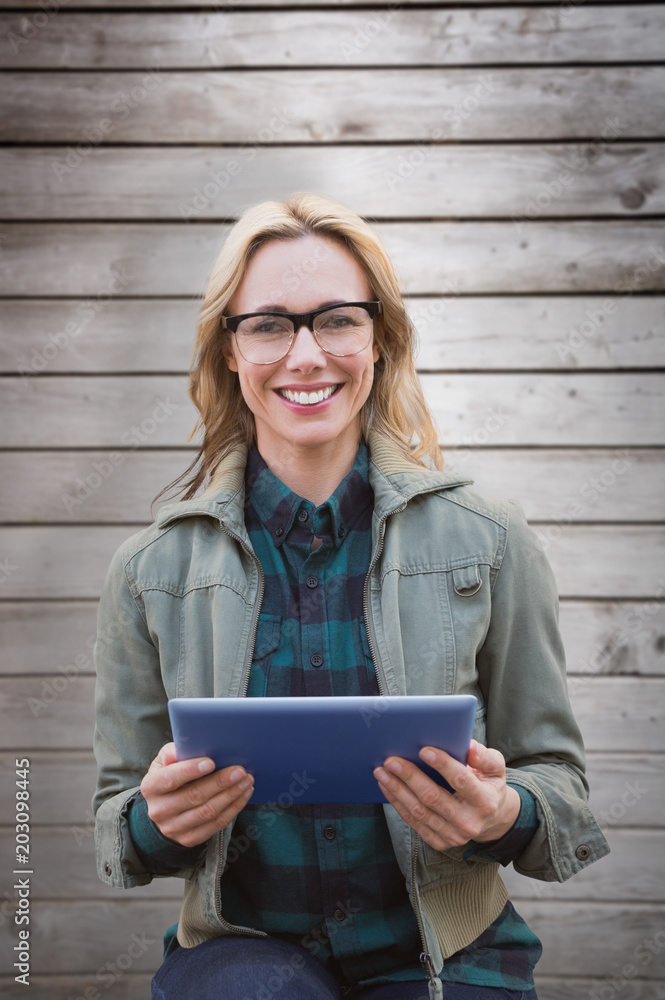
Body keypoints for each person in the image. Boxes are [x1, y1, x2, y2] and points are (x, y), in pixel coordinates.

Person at [92, 192, 610, 1000]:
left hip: (450, 958)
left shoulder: (492, 540)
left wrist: (504, 811)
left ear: (379, 339)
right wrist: (150, 822)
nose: (304, 355)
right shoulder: (148, 571)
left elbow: (560, 791)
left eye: (336, 318)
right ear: (229, 350)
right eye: (268, 324)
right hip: (245, 954)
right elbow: (115, 824)